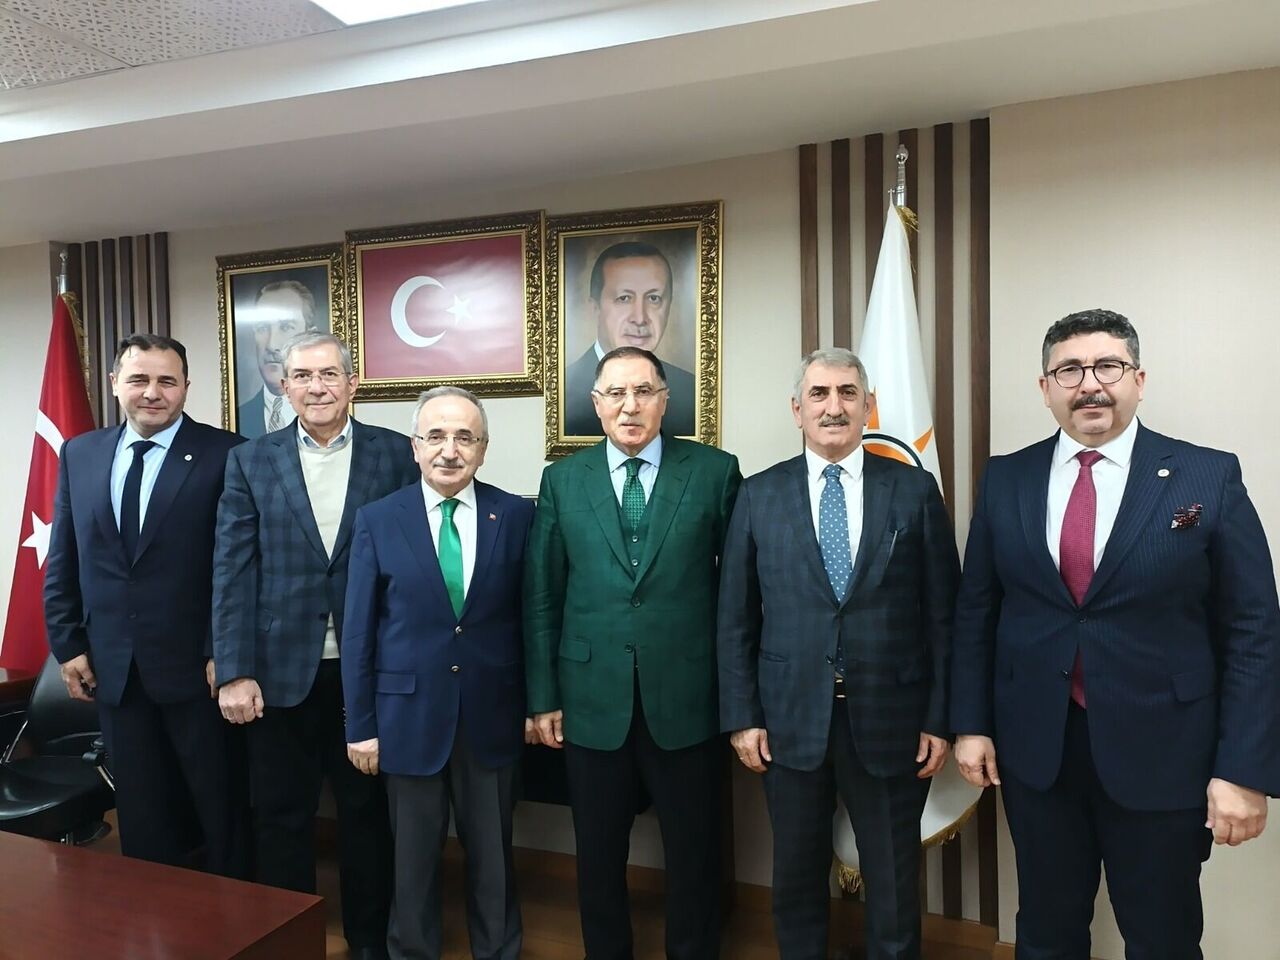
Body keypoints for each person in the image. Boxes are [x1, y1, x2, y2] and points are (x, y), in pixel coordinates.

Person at [951, 309, 1280, 959]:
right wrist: (971, 723)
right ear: (1045, 387)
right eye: (1069, 370)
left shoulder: (1207, 475)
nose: (1090, 384)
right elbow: (977, 610)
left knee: (1162, 939)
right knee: (1045, 931)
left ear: (1139, 380)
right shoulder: (1007, 479)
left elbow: (1254, 629)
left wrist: (1243, 768)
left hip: (1166, 751)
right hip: (1038, 750)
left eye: (1108, 366)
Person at [717, 348, 958, 960]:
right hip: (788, 718)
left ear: (868, 406)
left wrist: (939, 717)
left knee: (894, 878)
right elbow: (736, 617)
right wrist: (742, 716)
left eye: (848, 393)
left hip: (892, 717)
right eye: (819, 394)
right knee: (796, 873)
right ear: (797, 409)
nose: (834, 407)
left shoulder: (913, 490)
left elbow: (943, 614)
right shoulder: (759, 494)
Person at [525, 345, 741, 960]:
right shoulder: (562, 479)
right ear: (596, 404)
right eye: (616, 393)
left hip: (689, 697)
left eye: (643, 391)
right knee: (597, 854)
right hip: (591, 699)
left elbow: (739, 597)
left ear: (665, 400)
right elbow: (542, 596)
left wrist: (738, 698)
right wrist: (543, 697)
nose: (630, 405)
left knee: (695, 852)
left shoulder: (715, 472)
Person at [213, 331, 418, 960]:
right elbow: (232, 569)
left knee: (367, 816)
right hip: (278, 674)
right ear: (284, 386)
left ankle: (369, 942)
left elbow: (414, 559)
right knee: (280, 817)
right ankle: (290, 942)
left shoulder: (397, 454)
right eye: (302, 376)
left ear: (353, 383)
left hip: (370, 671)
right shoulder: (251, 459)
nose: (317, 387)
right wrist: (234, 670)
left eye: (329, 374)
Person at [44, 333, 249, 876]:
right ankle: (153, 912)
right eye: (139, 379)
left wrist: (224, 653)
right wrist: (67, 644)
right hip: (115, 668)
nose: (152, 392)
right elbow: (64, 555)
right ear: (115, 383)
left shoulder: (228, 454)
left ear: (186, 387)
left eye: (166, 381)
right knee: (140, 810)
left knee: (220, 807)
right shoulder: (81, 453)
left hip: (199, 670)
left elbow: (238, 566)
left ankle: (235, 910)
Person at [342, 386, 536, 960]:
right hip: (406, 717)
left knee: (494, 858)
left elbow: (533, 618)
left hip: (491, 714)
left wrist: (536, 704)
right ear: (415, 446)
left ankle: (498, 951)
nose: (449, 450)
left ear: (483, 448)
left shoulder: (516, 515)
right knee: (412, 862)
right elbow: (358, 632)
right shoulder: (379, 519)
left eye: (464, 437)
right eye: (436, 436)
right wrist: (360, 725)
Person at [563, 242, 697, 437]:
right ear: (595, 308)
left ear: (669, 307)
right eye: (624, 298)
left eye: (654, 298)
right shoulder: (563, 389)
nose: (640, 318)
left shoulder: (690, 388)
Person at [237, 279, 317, 439]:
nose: (271, 345)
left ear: (310, 337)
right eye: (262, 328)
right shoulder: (240, 415)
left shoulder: (327, 412)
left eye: (286, 327)